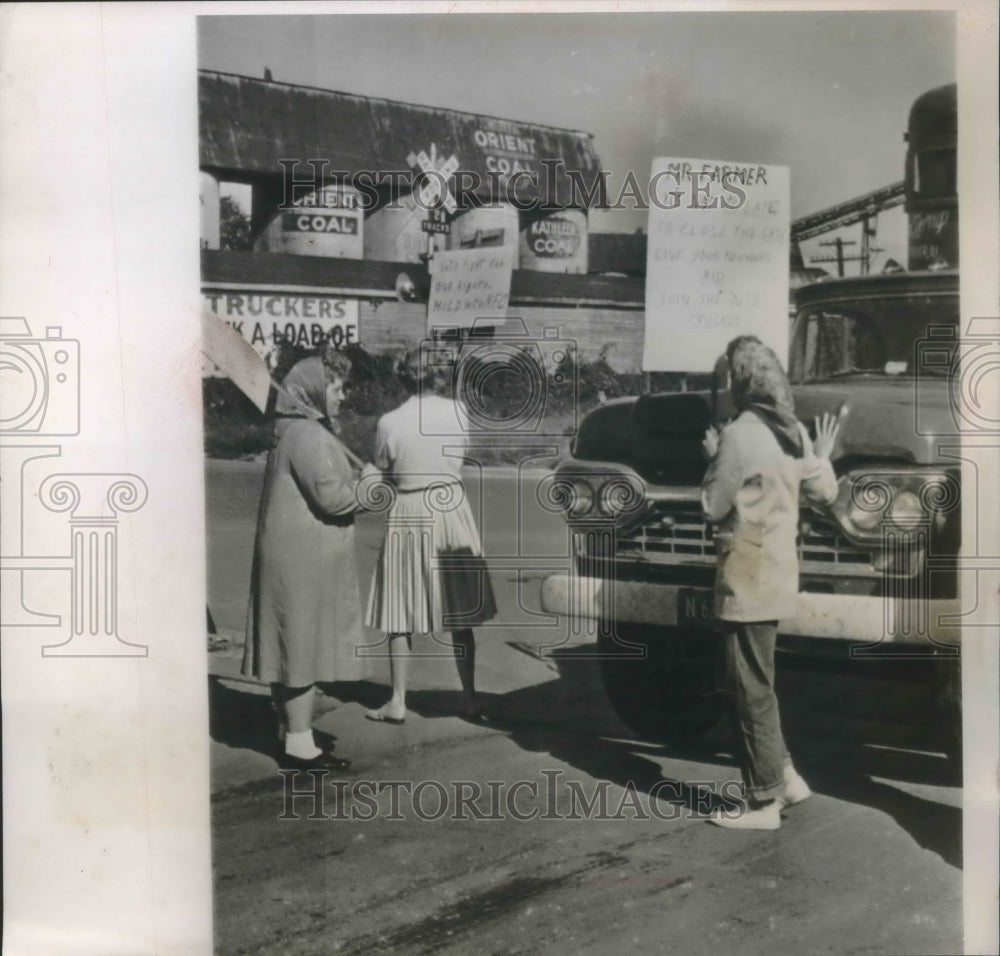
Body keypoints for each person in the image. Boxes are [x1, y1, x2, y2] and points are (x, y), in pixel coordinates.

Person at [701, 336, 840, 830]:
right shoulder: (792, 432)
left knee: (748, 688)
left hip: (746, 572)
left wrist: (714, 456)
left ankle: (762, 803)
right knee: (761, 680)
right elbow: (826, 491)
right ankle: (787, 777)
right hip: (780, 569)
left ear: (740, 381)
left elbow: (712, 506)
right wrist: (821, 456)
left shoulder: (740, 433)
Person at [242, 351, 366, 771]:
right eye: (335, 386)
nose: (343, 395)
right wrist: (370, 487)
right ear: (314, 390)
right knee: (301, 647)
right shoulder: (308, 436)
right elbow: (332, 498)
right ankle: (299, 744)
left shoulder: (295, 430)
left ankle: (291, 733)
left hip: (294, 552)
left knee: (290, 644)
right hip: (302, 559)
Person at [363, 348, 497, 724]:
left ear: (403, 376)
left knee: (399, 610)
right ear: (438, 375)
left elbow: (385, 470)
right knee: (460, 612)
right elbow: (457, 455)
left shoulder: (389, 421)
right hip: (451, 509)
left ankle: (398, 701)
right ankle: (470, 699)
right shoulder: (459, 411)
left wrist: (374, 474)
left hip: (409, 510)